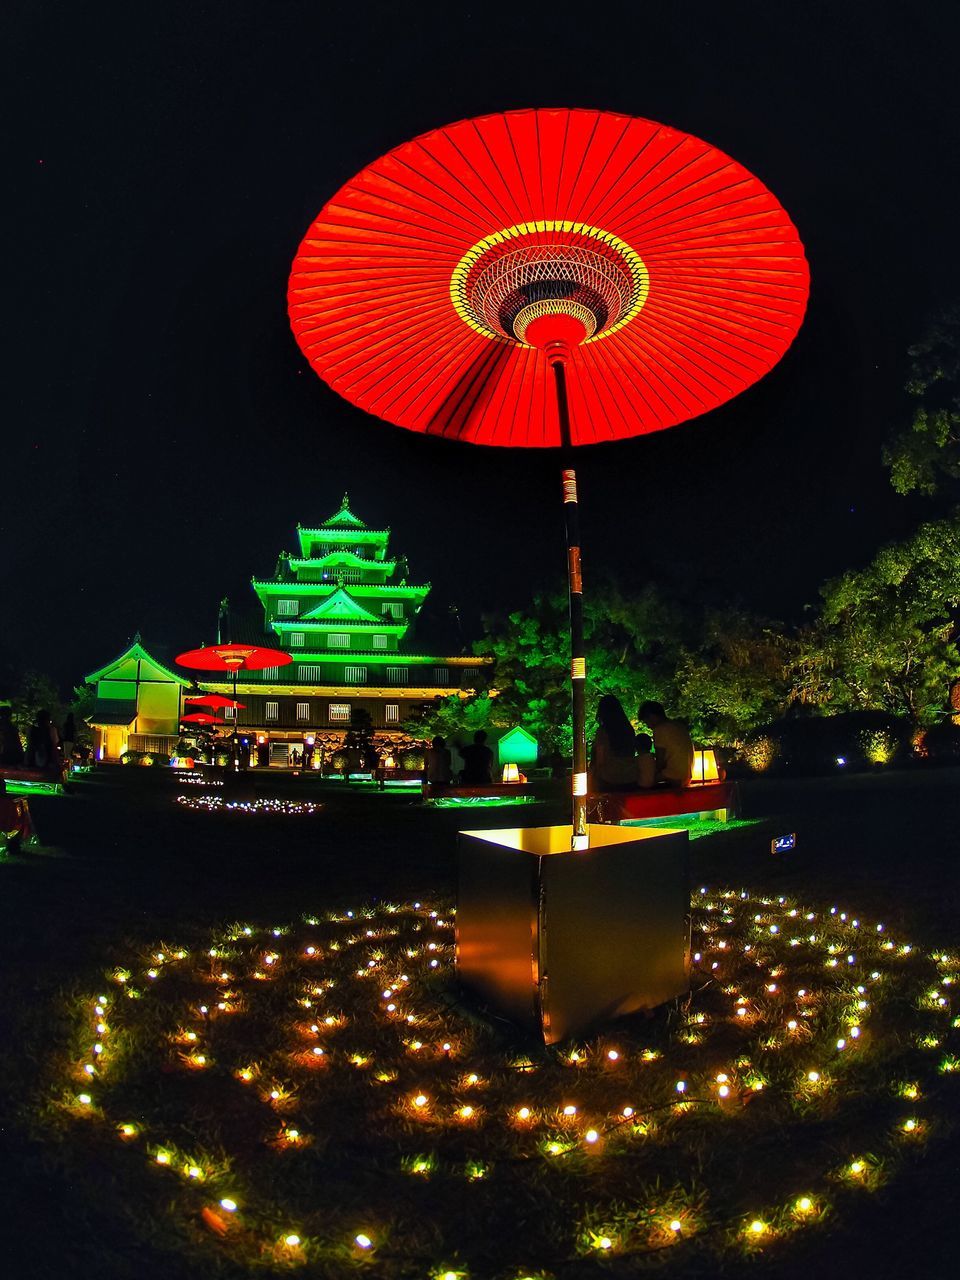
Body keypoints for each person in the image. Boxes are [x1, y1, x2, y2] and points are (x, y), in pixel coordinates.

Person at [637, 700, 694, 787]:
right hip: (686, 777)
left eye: (646, 722)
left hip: (672, 777)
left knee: (640, 781)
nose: (648, 726)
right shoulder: (679, 726)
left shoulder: (660, 729)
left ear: (652, 716)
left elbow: (660, 762)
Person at [590, 694, 639, 790]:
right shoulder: (628, 729)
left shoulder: (603, 731)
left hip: (609, 777)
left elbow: (600, 759)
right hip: (630, 775)